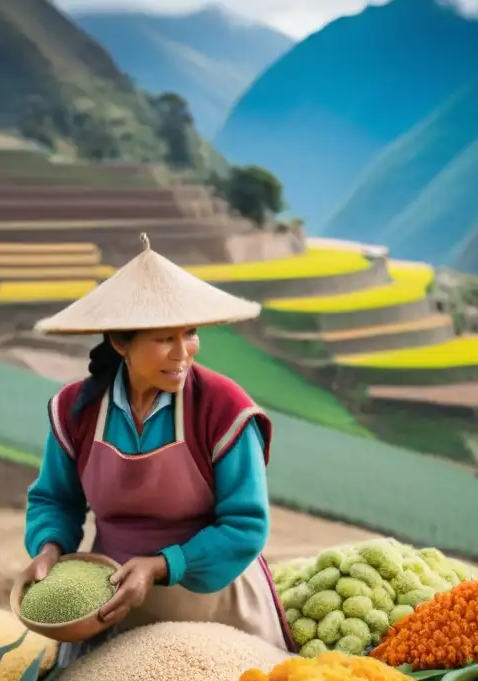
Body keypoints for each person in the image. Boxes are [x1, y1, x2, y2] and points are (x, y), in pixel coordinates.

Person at [21, 233, 294, 658]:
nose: (182, 353)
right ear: (120, 343)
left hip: (213, 608)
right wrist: (49, 548)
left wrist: (162, 565)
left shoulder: (224, 409)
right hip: (106, 604)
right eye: (164, 339)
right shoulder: (76, 409)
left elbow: (246, 526)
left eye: (190, 333)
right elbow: (54, 499)